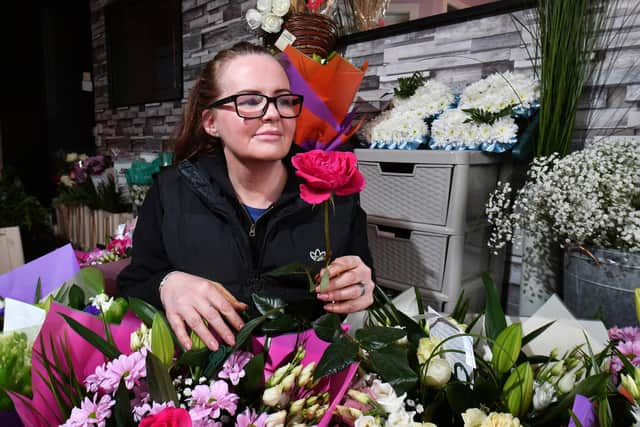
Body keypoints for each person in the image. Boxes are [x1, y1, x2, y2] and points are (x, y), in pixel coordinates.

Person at [117, 42, 375, 353]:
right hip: (203, 381)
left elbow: (365, 286)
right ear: (211, 122)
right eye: (250, 101)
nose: (273, 114)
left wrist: (360, 285)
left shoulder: (335, 197)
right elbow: (134, 282)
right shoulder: (172, 191)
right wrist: (167, 284)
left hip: (304, 381)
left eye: (283, 100)